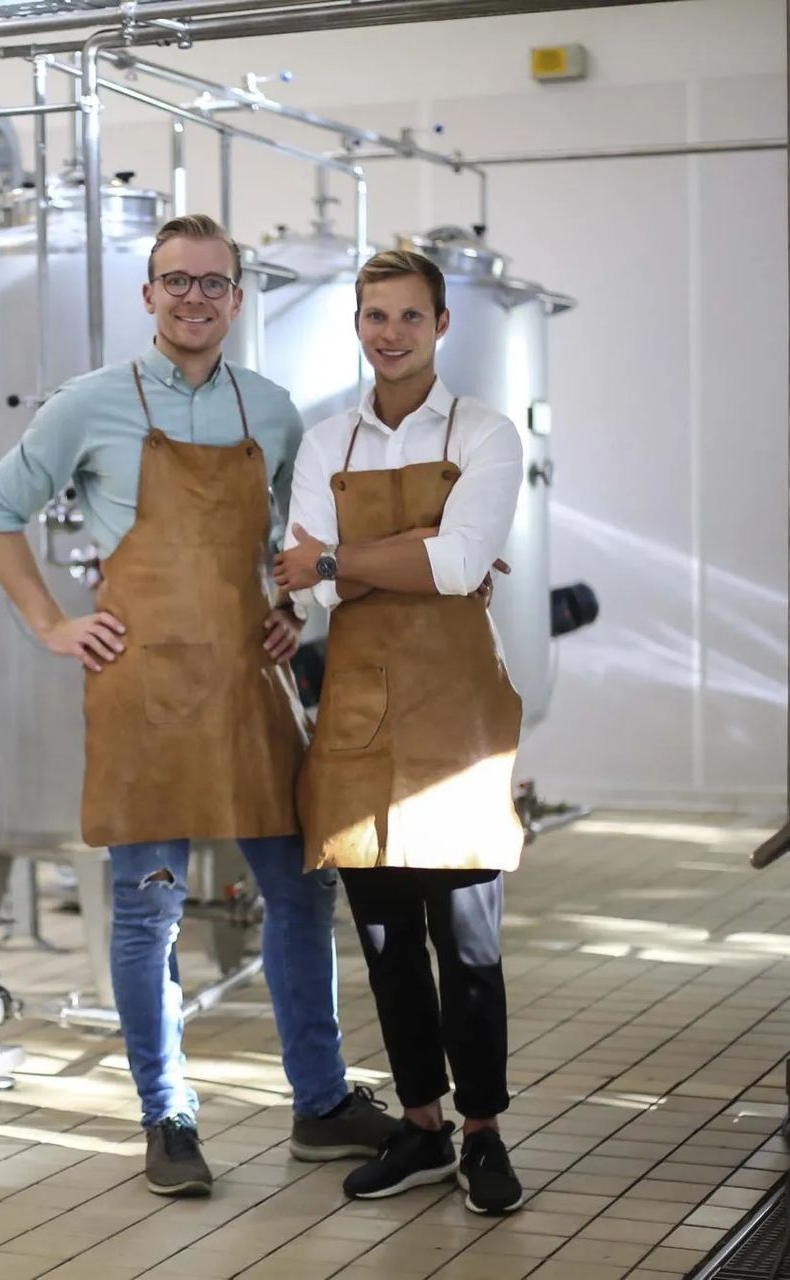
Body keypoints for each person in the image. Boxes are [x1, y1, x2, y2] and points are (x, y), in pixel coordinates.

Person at [0, 215, 398, 1197]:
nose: (194, 297)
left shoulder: (273, 408)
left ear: (237, 298)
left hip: (252, 682)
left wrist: (296, 606)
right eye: (177, 281)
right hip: (144, 689)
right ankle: (166, 1115)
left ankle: (322, 1104)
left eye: (213, 282)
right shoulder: (89, 404)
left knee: (297, 894)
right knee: (146, 910)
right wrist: (52, 625)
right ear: (149, 294)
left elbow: (298, 540)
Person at [273, 247, 527, 1214]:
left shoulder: (487, 432)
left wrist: (344, 559)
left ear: (441, 325)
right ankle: (421, 1124)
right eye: (375, 316)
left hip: (456, 709)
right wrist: (395, 555)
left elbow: (463, 565)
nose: (391, 334)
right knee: (384, 936)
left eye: (409, 317)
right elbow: (307, 579)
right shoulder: (325, 441)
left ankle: (485, 1131)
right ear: (359, 324)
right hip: (360, 705)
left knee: (468, 941)